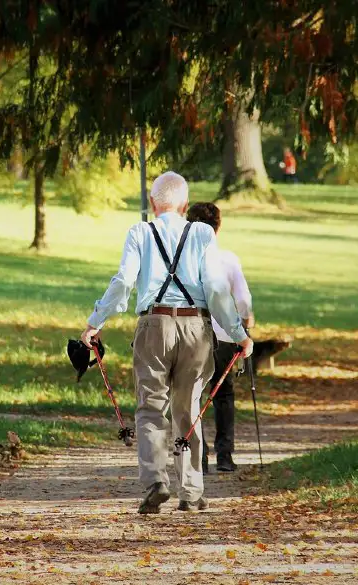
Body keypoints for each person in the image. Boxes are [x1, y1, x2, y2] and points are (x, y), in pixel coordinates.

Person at [80, 171, 253, 514]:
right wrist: (239, 334)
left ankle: (156, 482)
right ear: (185, 205)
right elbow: (217, 291)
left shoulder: (139, 232)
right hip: (195, 326)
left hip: (153, 324)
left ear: (152, 204)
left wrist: (95, 322)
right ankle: (191, 491)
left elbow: (124, 282)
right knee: (189, 408)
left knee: (150, 406)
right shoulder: (203, 233)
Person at [186, 202, 254, 474]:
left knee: (194, 394)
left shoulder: (186, 260)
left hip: (193, 334)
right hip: (225, 335)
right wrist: (246, 322)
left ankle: (198, 458)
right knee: (224, 394)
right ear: (219, 226)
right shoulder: (227, 259)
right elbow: (243, 299)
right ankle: (225, 456)